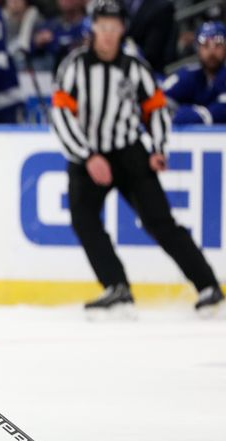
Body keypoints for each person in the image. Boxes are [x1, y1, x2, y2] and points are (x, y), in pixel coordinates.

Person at [50, 0, 223, 316]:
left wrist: (158, 148)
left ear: (121, 30)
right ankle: (117, 287)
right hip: (89, 156)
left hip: (129, 154)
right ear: (93, 28)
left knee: (161, 222)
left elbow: (155, 109)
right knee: (83, 218)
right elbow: (60, 115)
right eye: (102, 26)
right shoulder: (74, 66)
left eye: (113, 27)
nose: (107, 34)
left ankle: (208, 286)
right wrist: (88, 157)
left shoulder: (134, 67)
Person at [162, 22, 226, 125]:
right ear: (197, 49)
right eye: (205, 45)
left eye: (218, 45)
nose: (212, 52)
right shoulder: (189, 74)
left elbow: (222, 110)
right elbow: (161, 97)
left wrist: (198, 115)